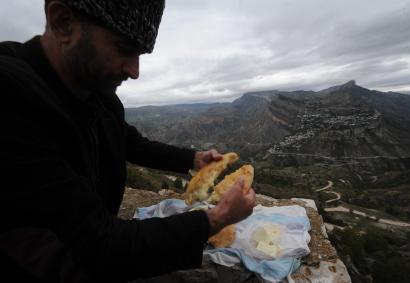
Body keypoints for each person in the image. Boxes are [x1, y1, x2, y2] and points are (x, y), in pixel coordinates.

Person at [0, 0, 256, 282]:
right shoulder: (10, 100)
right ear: (63, 23)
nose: (135, 71)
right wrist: (217, 218)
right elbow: (100, 245)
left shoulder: (95, 94)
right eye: (124, 49)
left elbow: (132, 144)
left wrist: (193, 160)